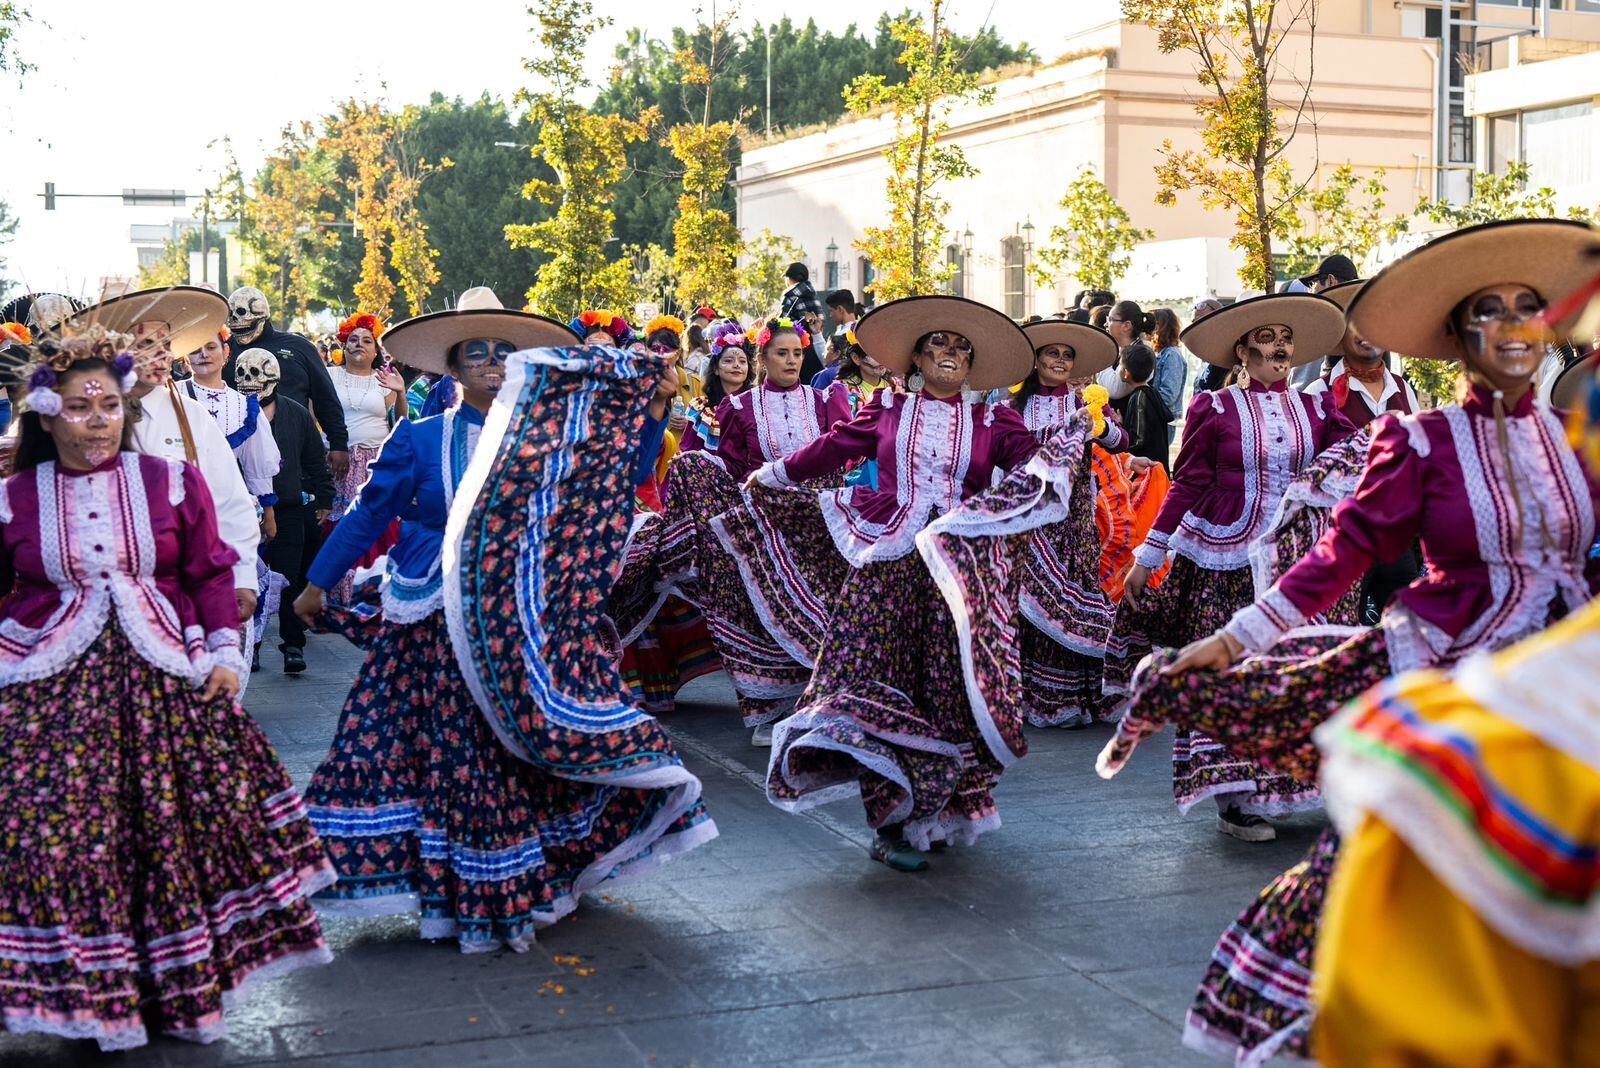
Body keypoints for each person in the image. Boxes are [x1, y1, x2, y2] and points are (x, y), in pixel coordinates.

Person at [1101, 218, 1600, 1065]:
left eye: (1528, 308)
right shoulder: (1419, 438)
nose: (1513, 326)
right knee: (1410, 875)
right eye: (1490, 310)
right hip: (1451, 683)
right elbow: (1342, 555)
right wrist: (1236, 637)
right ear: (1458, 337)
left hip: (1565, 690)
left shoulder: (1575, 440)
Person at [293, 295, 710, 950]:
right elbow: (370, 514)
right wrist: (317, 582)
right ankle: (462, 885)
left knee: (519, 742)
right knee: (435, 749)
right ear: (453, 369)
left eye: (503, 354)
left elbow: (618, 479)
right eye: (476, 353)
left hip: (521, 613)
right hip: (430, 618)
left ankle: (529, 871)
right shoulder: (421, 438)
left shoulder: (546, 437)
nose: (490, 363)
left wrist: (654, 409)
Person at [0, 332, 332, 1050]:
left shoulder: (168, 482)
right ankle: (89, 992)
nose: (98, 420)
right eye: (81, 407)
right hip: (48, 693)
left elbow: (210, 572)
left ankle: (172, 989)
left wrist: (221, 652)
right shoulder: (13, 499)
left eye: (110, 406)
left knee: (171, 838)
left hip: (163, 685)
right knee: (66, 842)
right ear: (47, 415)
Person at [733, 296, 1098, 870]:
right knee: (868, 675)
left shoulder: (992, 420)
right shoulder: (887, 410)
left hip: (955, 573)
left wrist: (1075, 435)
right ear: (918, 357)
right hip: (889, 565)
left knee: (949, 689)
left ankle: (937, 807)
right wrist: (772, 474)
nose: (950, 353)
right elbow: (832, 449)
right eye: (939, 344)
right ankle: (890, 822)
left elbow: (1037, 465)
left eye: (961, 347)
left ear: (972, 364)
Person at [1106, 291, 1356, 842]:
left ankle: (1301, 781)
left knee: (1297, 666)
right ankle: (1235, 797)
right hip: (1226, 557)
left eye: (1286, 339)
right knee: (1235, 669)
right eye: (1266, 339)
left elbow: (1357, 455)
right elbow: (1189, 481)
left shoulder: (1317, 407)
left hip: (1293, 556)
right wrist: (1149, 555)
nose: (1279, 348)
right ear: (1241, 351)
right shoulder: (1213, 408)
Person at [70, 286, 262, 631]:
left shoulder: (193, 417)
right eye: (145, 344)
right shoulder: (73, 416)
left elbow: (229, 501)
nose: (160, 353)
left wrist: (242, 572)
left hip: (180, 597)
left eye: (165, 344)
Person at [237, 349, 335, 674]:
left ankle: (293, 645)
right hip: (243, 511)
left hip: (289, 510)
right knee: (247, 582)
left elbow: (314, 458)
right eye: (244, 375)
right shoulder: (230, 415)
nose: (251, 384)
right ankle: (251, 647)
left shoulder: (296, 413)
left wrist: (323, 497)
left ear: (275, 379)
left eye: (257, 376)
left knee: (289, 580)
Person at [223, 285, 350, 484]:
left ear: (262, 313)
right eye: (230, 314)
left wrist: (338, 443)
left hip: (295, 447)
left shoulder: (299, 347)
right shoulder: (224, 352)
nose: (235, 320)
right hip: (241, 451)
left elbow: (325, 397)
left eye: (241, 313)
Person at [182, 329, 282, 509]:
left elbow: (256, 465)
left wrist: (268, 513)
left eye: (211, 347)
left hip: (228, 505)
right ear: (186, 356)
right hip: (181, 502)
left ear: (226, 351)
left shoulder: (244, 406)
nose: (204, 354)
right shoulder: (172, 395)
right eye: (195, 350)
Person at [682, 319, 754, 451]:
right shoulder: (701, 410)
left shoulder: (756, 406)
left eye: (742, 361)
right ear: (715, 369)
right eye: (728, 360)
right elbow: (688, 452)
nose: (737, 365)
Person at [1112, 341, 1174, 469]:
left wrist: (1121, 431)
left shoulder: (1139, 397)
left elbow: (1138, 439)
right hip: (1157, 463)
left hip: (1146, 466)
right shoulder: (1152, 392)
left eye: (1120, 366)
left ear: (1126, 373)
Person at [1149, 308, 1188, 445]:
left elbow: (1169, 394)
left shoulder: (1171, 355)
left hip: (1162, 420)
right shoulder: (1161, 353)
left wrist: (1147, 406)